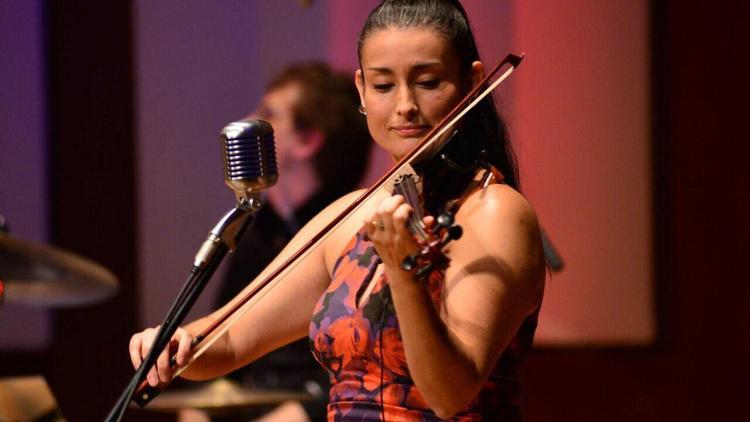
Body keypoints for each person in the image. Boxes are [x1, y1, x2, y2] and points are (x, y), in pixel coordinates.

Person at [130, 1, 546, 420]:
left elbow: (450, 395)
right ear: (362, 90)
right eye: (384, 86)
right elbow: (232, 340)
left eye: (428, 81)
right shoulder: (349, 215)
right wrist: (173, 342)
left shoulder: (494, 213)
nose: (405, 105)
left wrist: (403, 272)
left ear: (472, 82)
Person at [212, 62, 371, 422]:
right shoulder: (257, 231)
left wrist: (304, 412)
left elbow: (364, 365)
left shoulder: (355, 231)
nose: (250, 119)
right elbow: (221, 339)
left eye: (269, 114)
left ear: (307, 140)